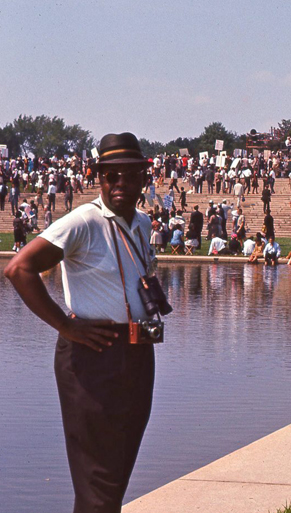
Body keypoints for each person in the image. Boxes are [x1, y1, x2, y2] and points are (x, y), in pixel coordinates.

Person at [4, 132, 161, 512]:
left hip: (137, 353)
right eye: (110, 175)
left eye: (128, 174)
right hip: (94, 353)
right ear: (98, 178)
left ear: (144, 177)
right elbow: (19, 268)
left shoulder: (140, 223)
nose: (119, 182)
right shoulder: (84, 221)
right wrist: (65, 326)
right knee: (98, 479)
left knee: (114, 474)